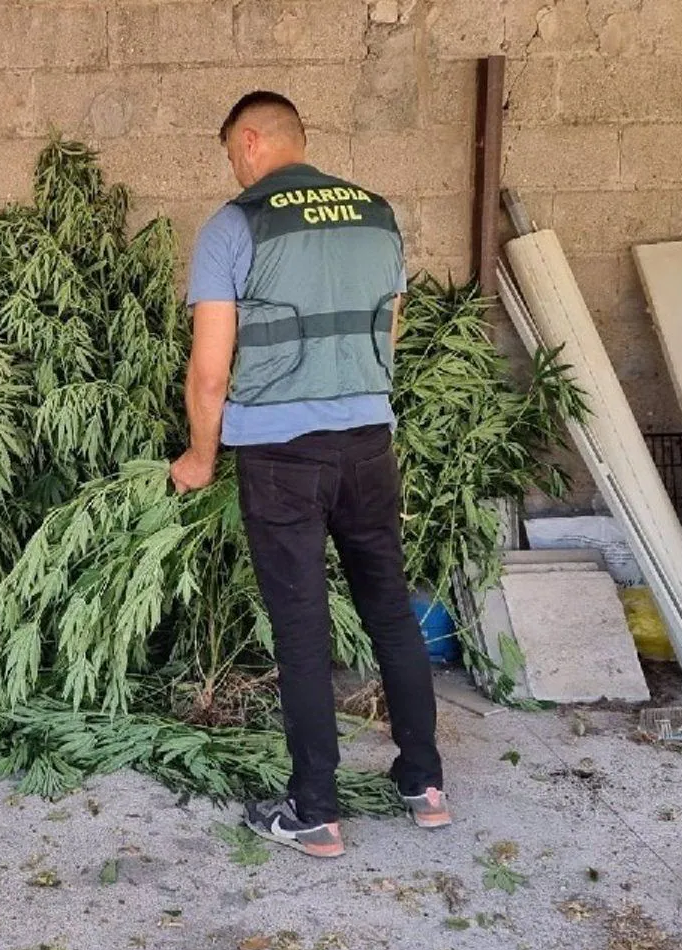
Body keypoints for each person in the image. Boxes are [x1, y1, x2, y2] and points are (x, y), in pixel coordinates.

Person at [169, 91, 449, 859]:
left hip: (282, 456)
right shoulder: (377, 215)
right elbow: (388, 331)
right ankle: (424, 783)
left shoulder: (236, 225)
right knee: (388, 608)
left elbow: (209, 373)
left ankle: (315, 810)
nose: (233, 167)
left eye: (232, 152)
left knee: (300, 628)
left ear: (253, 140)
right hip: (367, 444)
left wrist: (199, 459)